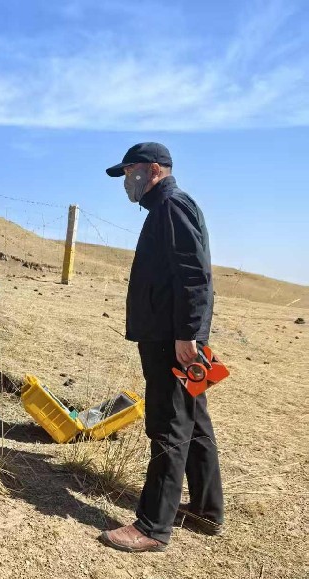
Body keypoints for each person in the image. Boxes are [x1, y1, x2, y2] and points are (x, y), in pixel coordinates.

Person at [99, 142, 224, 552]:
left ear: (154, 170)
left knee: (168, 424)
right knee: (194, 418)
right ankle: (206, 509)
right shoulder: (166, 207)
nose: (126, 181)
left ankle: (152, 527)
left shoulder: (172, 206)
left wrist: (189, 334)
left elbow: (195, 275)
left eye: (129, 171)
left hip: (173, 340)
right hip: (175, 336)